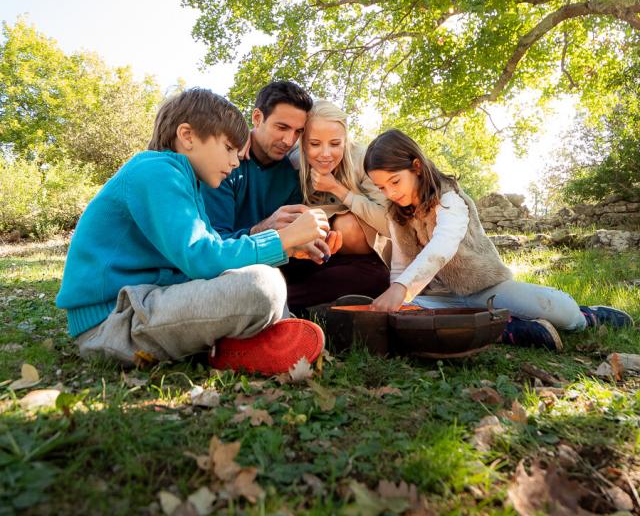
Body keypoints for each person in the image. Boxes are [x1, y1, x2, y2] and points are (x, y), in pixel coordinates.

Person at [55, 88, 329, 373]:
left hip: (146, 305)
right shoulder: (155, 171)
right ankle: (253, 342)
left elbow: (209, 256)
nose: (236, 161)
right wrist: (283, 238)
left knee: (264, 278)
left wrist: (286, 247)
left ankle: (266, 340)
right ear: (187, 136)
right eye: (228, 149)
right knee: (262, 285)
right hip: (112, 322)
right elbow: (202, 258)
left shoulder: (187, 183)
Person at [363, 129, 633, 349]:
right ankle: (512, 329)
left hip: (485, 289)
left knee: (558, 310)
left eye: (395, 182)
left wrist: (401, 288)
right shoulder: (395, 213)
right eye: (382, 187)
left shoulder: (450, 199)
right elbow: (399, 265)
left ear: (417, 168)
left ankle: (585, 317)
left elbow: (442, 247)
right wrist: (398, 298)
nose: (390, 193)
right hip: (435, 300)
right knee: (405, 318)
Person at [203, 82, 389, 307]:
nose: (289, 140)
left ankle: (281, 304)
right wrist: (265, 229)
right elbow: (214, 246)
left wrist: (307, 245)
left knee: (374, 274)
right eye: (282, 127)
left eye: (298, 132)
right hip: (237, 259)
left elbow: (292, 234)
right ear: (257, 118)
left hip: (279, 257)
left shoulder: (290, 170)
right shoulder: (227, 163)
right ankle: (264, 303)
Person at [285, 100, 391, 308]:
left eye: (335, 144)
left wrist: (338, 189)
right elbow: (263, 145)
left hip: (360, 257)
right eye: (315, 144)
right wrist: (245, 141)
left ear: (345, 140)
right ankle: (288, 299)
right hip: (310, 249)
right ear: (303, 142)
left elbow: (389, 223)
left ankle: (285, 302)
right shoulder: (293, 161)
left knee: (375, 275)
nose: (325, 154)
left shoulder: (365, 160)